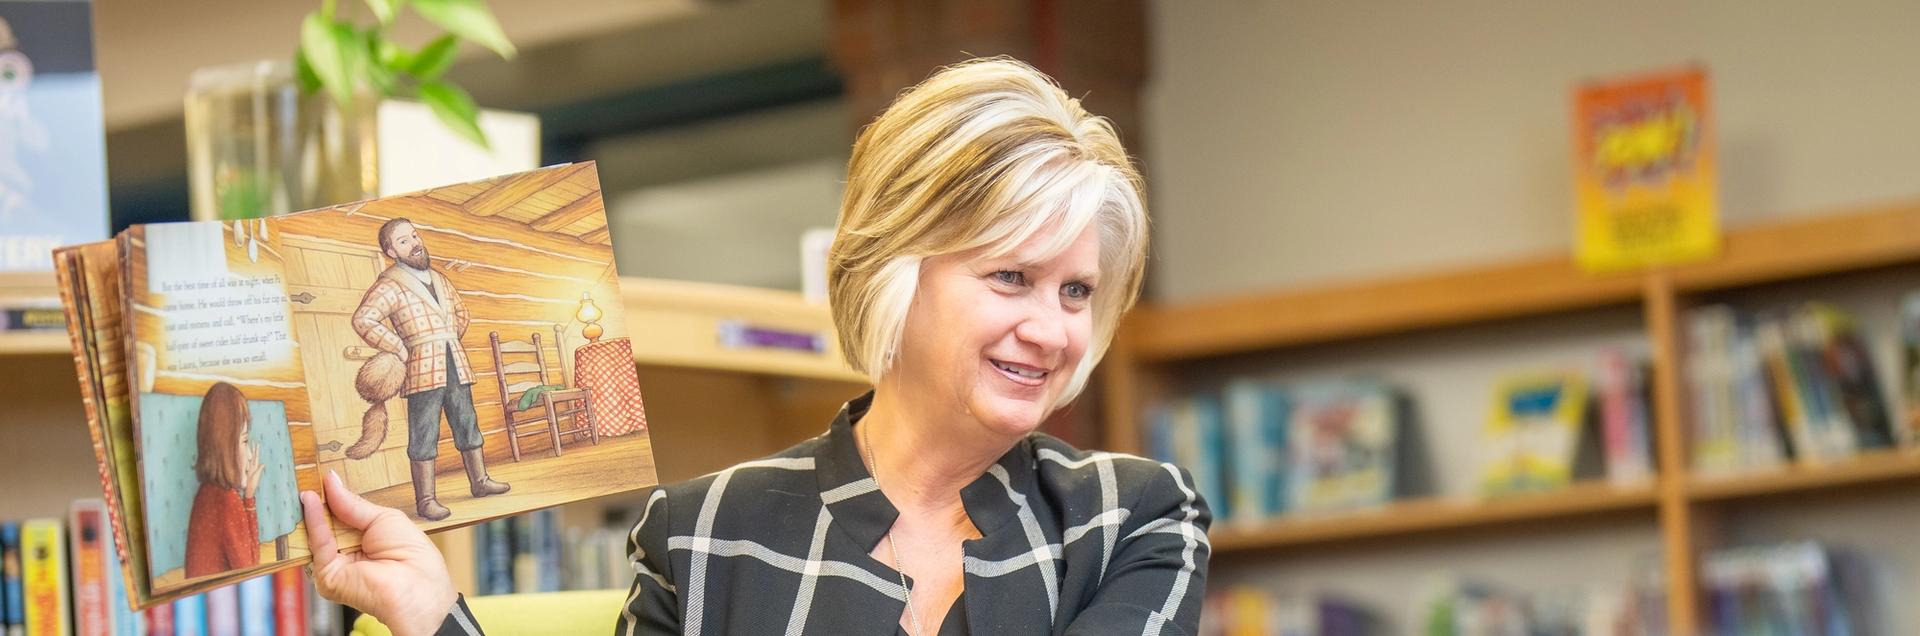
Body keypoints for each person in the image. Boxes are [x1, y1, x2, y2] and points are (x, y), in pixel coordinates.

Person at [299, 56, 1210, 635]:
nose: (1051, 329)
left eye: (1077, 291)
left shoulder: (1132, 520)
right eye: (1010, 277)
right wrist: (426, 614)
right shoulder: (704, 537)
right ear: (896, 270)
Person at [351, 218, 511, 521]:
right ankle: (425, 500)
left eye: (414, 235)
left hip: (454, 360)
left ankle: (480, 481)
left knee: (466, 420)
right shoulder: (390, 284)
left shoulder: (440, 279)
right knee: (424, 429)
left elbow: (462, 313)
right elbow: (364, 319)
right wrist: (399, 347)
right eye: (403, 241)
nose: (414, 243)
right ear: (390, 251)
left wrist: (446, 337)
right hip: (421, 366)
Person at [185, 382, 264, 578]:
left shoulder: (205, 493)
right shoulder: (228, 501)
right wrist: (249, 499)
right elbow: (250, 569)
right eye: (244, 441)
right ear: (226, 445)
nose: (248, 456)